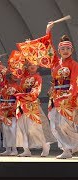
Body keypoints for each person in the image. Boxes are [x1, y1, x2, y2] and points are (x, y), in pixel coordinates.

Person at [45, 21, 78, 159]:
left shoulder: (74, 64)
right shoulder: (55, 63)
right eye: (63, 49)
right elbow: (48, 48)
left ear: (72, 51)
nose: (65, 51)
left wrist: (71, 93)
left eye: (68, 49)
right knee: (54, 125)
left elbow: (75, 80)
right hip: (55, 97)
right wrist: (48, 31)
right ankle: (66, 150)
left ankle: (73, 146)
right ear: (59, 51)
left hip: (68, 96)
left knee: (66, 124)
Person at [15, 63, 53, 157]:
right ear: (26, 66)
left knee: (36, 127)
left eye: (34, 65)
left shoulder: (38, 77)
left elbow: (36, 90)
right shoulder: (24, 78)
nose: (32, 66)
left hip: (32, 104)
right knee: (22, 127)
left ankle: (45, 145)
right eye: (30, 64)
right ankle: (26, 149)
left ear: (38, 67)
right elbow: (20, 88)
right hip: (22, 104)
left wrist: (24, 96)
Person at [0, 55, 19, 156]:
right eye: (12, 74)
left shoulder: (18, 86)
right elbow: (2, 71)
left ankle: (14, 149)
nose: (15, 76)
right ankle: (7, 148)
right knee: (5, 129)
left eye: (16, 75)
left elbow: (18, 98)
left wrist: (15, 107)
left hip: (12, 108)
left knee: (12, 128)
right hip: (3, 108)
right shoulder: (4, 84)